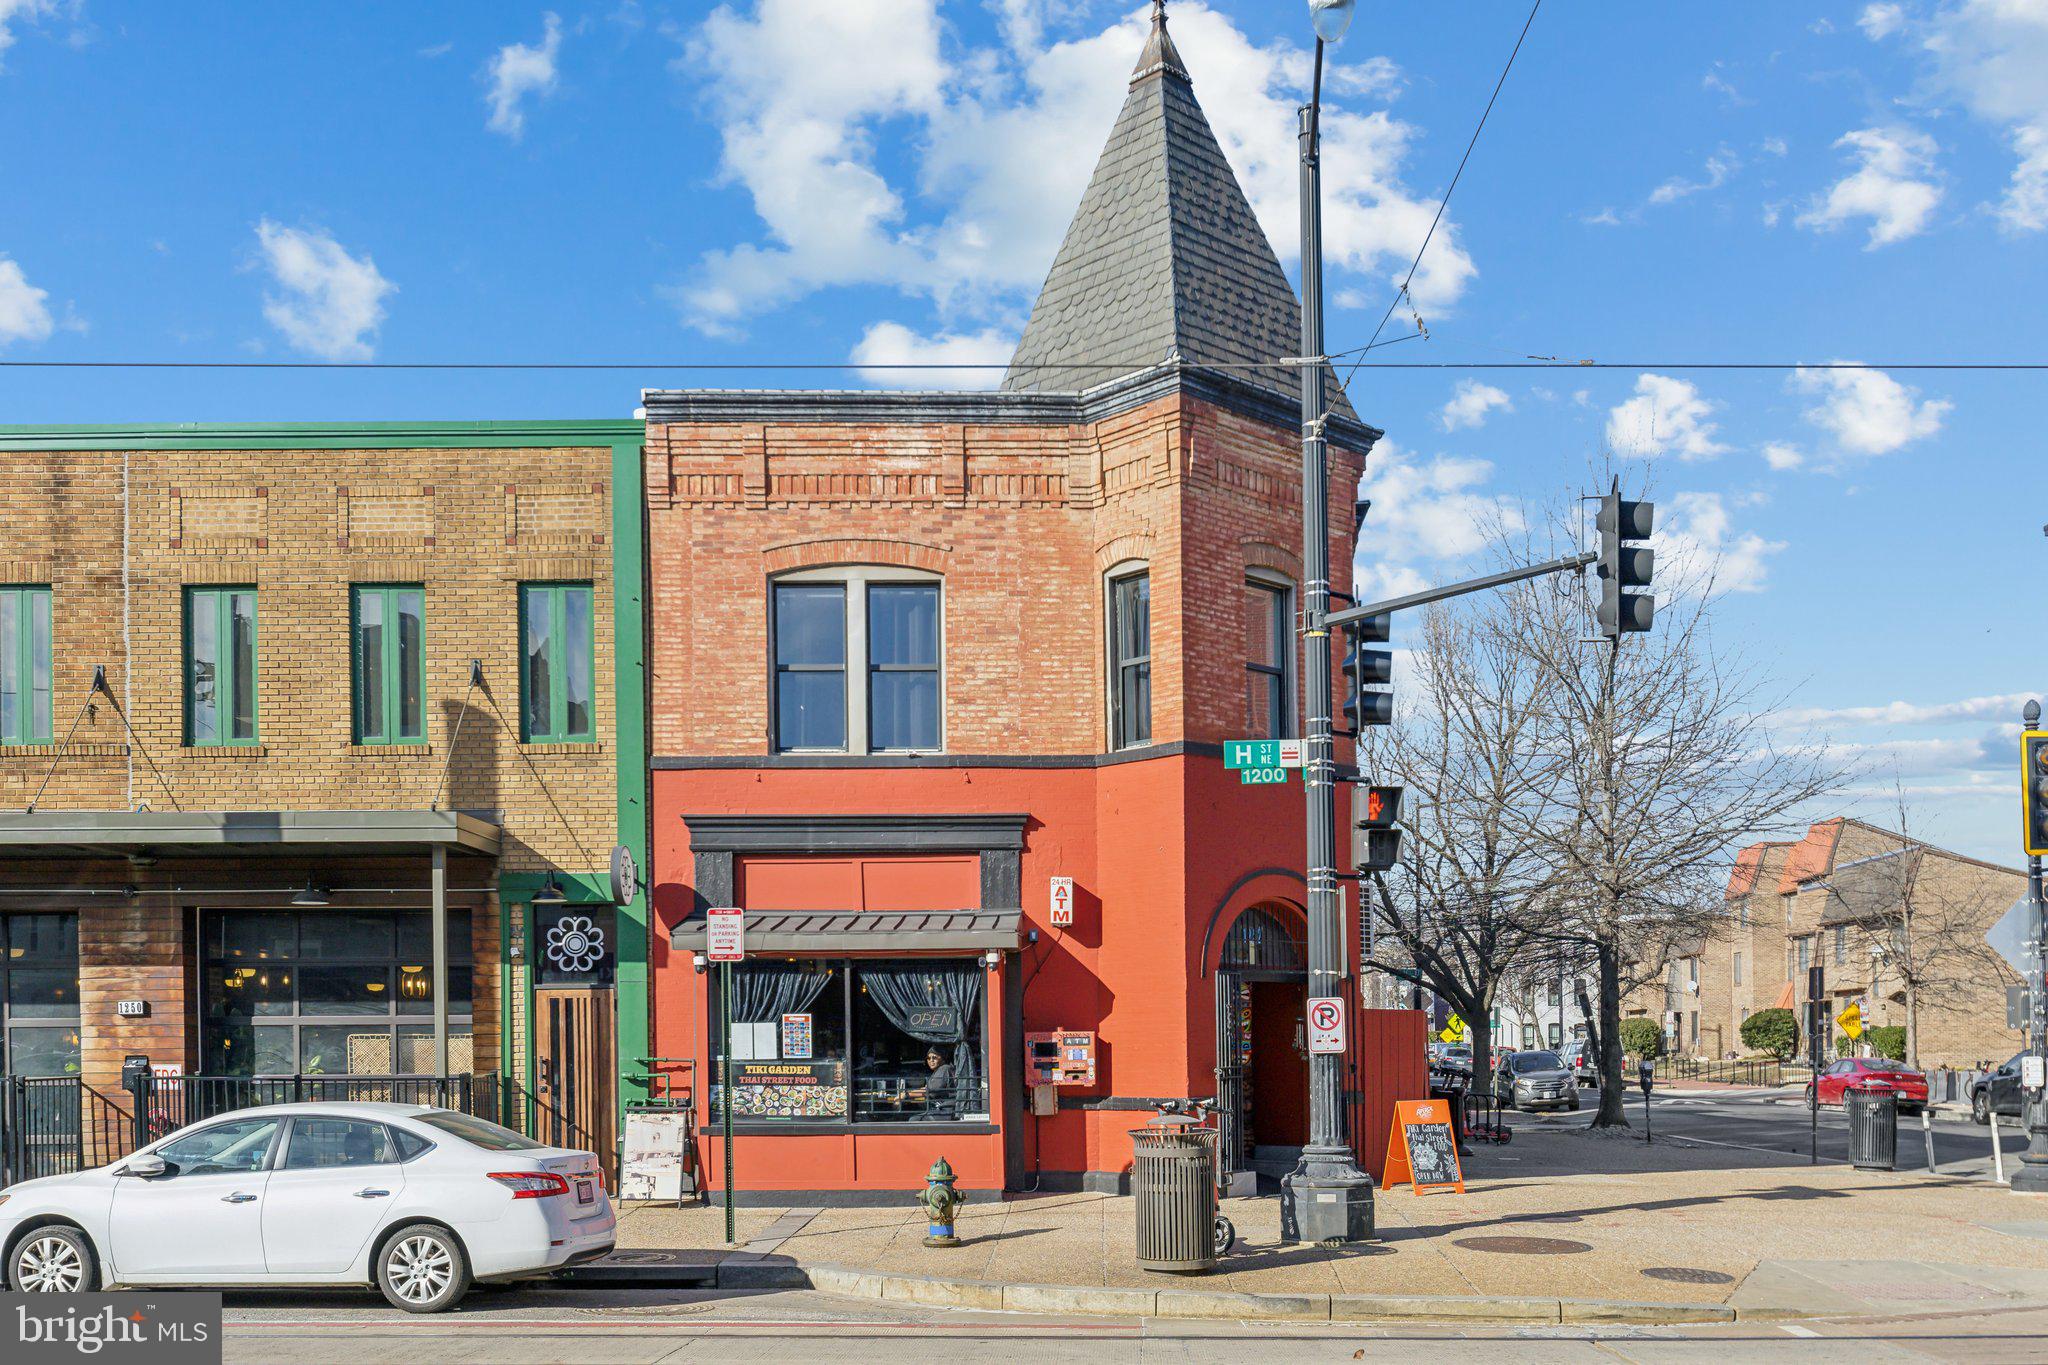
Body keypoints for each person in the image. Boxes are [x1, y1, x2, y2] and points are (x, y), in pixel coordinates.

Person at [923, 1047, 956, 1120]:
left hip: (946, 1111)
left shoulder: (945, 1069)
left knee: (914, 1119)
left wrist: (906, 1094)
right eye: (928, 1058)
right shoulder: (937, 1071)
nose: (931, 1060)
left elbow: (932, 1091)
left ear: (943, 1058)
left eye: (934, 1057)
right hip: (939, 1109)